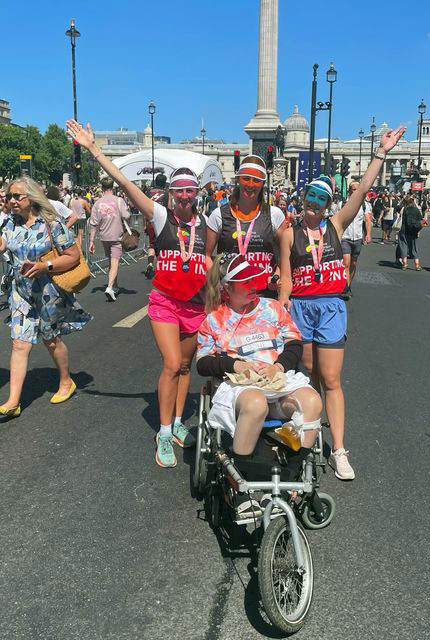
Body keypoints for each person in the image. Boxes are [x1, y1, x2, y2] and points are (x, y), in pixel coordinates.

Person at [66, 119, 205, 468]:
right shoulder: (160, 215)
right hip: (164, 301)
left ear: (198, 193)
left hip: (196, 305)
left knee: (186, 367)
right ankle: (163, 431)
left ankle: (176, 424)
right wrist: (94, 149)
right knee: (172, 364)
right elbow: (126, 183)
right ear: (171, 193)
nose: (185, 196)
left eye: (191, 190)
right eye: (180, 190)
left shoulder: (209, 224)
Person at [279, 127, 405, 480]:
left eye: (320, 198)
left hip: (331, 306)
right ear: (302, 199)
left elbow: (363, 189)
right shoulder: (289, 234)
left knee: (331, 378)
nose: (313, 203)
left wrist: (381, 152)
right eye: (309, 197)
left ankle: (339, 448)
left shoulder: (337, 224)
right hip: (301, 308)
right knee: (308, 376)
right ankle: (309, 434)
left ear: (329, 204)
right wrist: (283, 306)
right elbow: (286, 276)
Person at [197, 253, 322, 517]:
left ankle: (292, 478)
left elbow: (293, 342)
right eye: (244, 283)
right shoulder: (215, 320)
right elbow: (203, 363)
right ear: (226, 289)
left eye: (254, 279)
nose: (253, 285)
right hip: (241, 387)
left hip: (277, 380)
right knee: (255, 403)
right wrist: (235, 365)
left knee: (312, 402)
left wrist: (278, 366)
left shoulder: (272, 308)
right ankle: (242, 485)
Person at [0, 177, 92, 417]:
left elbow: (72, 256)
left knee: (51, 340)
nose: (11, 201)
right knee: (19, 343)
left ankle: (65, 381)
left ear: (30, 197)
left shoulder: (51, 223)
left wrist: (45, 266)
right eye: (9, 196)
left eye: (16, 196)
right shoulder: (9, 224)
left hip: (48, 292)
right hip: (20, 293)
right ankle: (13, 402)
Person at [206, 155, 287, 298]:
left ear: (263, 183)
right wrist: (217, 281)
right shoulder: (218, 215)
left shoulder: (275, 215)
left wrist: (277, 275)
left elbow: (285, 254)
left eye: (256, 180)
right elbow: (206, 255)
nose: (250, 185)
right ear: (238, 180)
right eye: (246, 178)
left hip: (264, 295)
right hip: (231, 297)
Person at [89, 177, 131, 301]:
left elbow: (93, 223)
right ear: (113, 187)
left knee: (111, 261)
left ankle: (115, 285)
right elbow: (126, 216)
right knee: (115, 261)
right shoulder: (119, 201)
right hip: (116, 236)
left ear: (101, 188)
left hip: (104, 237)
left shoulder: (97, 203)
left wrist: (91, 241)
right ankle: (110, 287)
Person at [340, 181, 372, 298]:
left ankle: (349, 284)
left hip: (358, 237)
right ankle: (345, 288)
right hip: (345, 237)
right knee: (346, 263)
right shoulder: (343, 204)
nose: (355, 192)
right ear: (349, 191)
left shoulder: (364, 205)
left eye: (357, 190)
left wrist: (368, 234)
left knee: (353, 263)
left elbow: (368, 220)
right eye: (353, 189)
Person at [396, 195, 423, 270]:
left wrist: (403, 200)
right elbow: (420, 220)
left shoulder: (404, 209)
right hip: (413, 231)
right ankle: (417, 265)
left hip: (404, 230)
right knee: (414, 248)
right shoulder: (416, 210)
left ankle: (405, 264)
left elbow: (397, 207)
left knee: (403, 247)